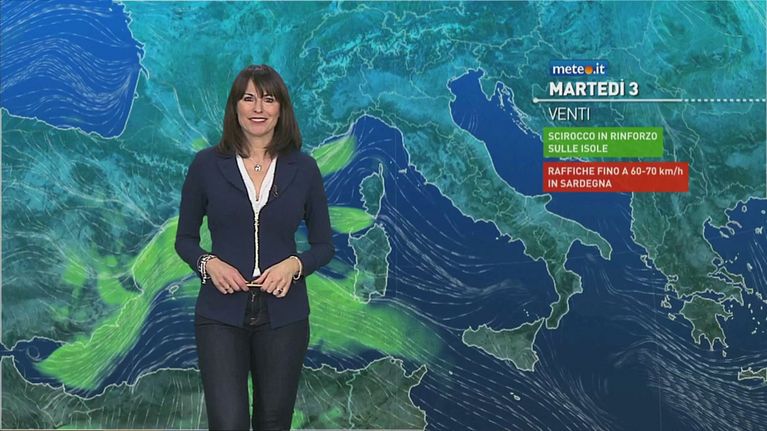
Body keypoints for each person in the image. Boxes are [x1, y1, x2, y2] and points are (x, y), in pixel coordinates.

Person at [175, 64, 334, 430]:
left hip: (285, 316)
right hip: (220, 314)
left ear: (281, 109)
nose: (258, 108)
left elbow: (324, 246)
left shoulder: (304, 169)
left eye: (268, 99)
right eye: (248, 98)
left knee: (273, 422)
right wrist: (208, 264)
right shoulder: (205, 165)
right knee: (228, 423)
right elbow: (185, 240)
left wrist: (294, 266)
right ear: (235, 107)